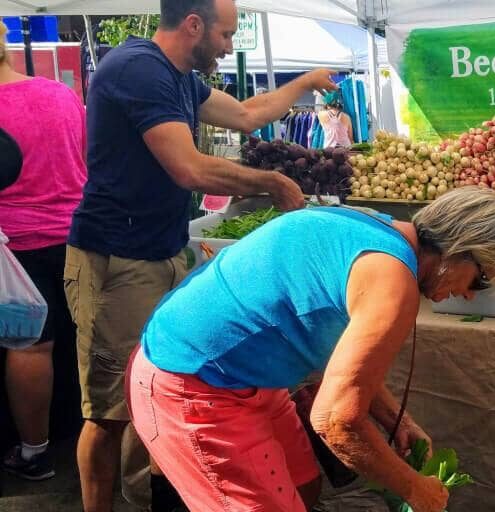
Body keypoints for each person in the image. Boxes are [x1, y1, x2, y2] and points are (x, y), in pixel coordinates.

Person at [65, 0, 338, 510]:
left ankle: (152, 495)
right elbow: (188, 168)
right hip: (116, 260)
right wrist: (272, 182)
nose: (230, 46)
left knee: (161, 387)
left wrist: (303, 83)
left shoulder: (181, 79)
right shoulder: (137, 69)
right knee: (107, 411)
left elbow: (247, 115)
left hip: (165, 253)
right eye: (227, 34)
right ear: (194, 25)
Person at [127, 187, 495, 512]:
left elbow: (346, 359)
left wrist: (396, 421)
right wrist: (414, 488)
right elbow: (335, 422)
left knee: (304, 487)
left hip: (244, 376)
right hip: (191, 381)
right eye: (480, 280)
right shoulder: (393, 279)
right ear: (462, 249)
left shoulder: (381, 229)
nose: (469, 296)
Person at [0, 21, 87, 482]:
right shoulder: (60, 94)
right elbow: (85, 157)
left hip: (15, 250)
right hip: (79, 237)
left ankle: (34, 453)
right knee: (87, 341)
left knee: (30, 346)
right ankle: (99, 436)